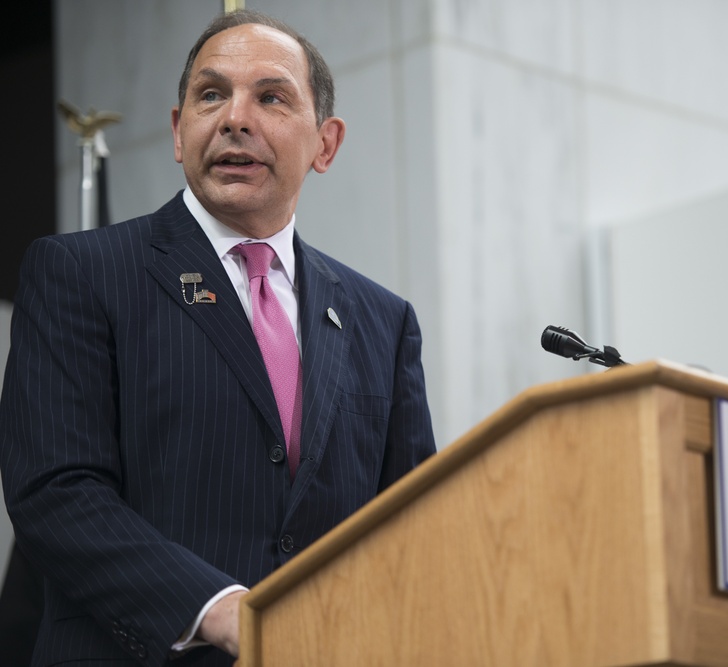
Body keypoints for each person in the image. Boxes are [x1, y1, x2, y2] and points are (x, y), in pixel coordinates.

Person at [0, 9, 436, 666]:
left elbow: (414, 529)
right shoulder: (82, 274)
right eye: (211, 94)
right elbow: (56, 490)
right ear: (179, 132)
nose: (235, 118)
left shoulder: (384, 319)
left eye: (270, 96)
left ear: (326, 143)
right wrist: (219, 605)